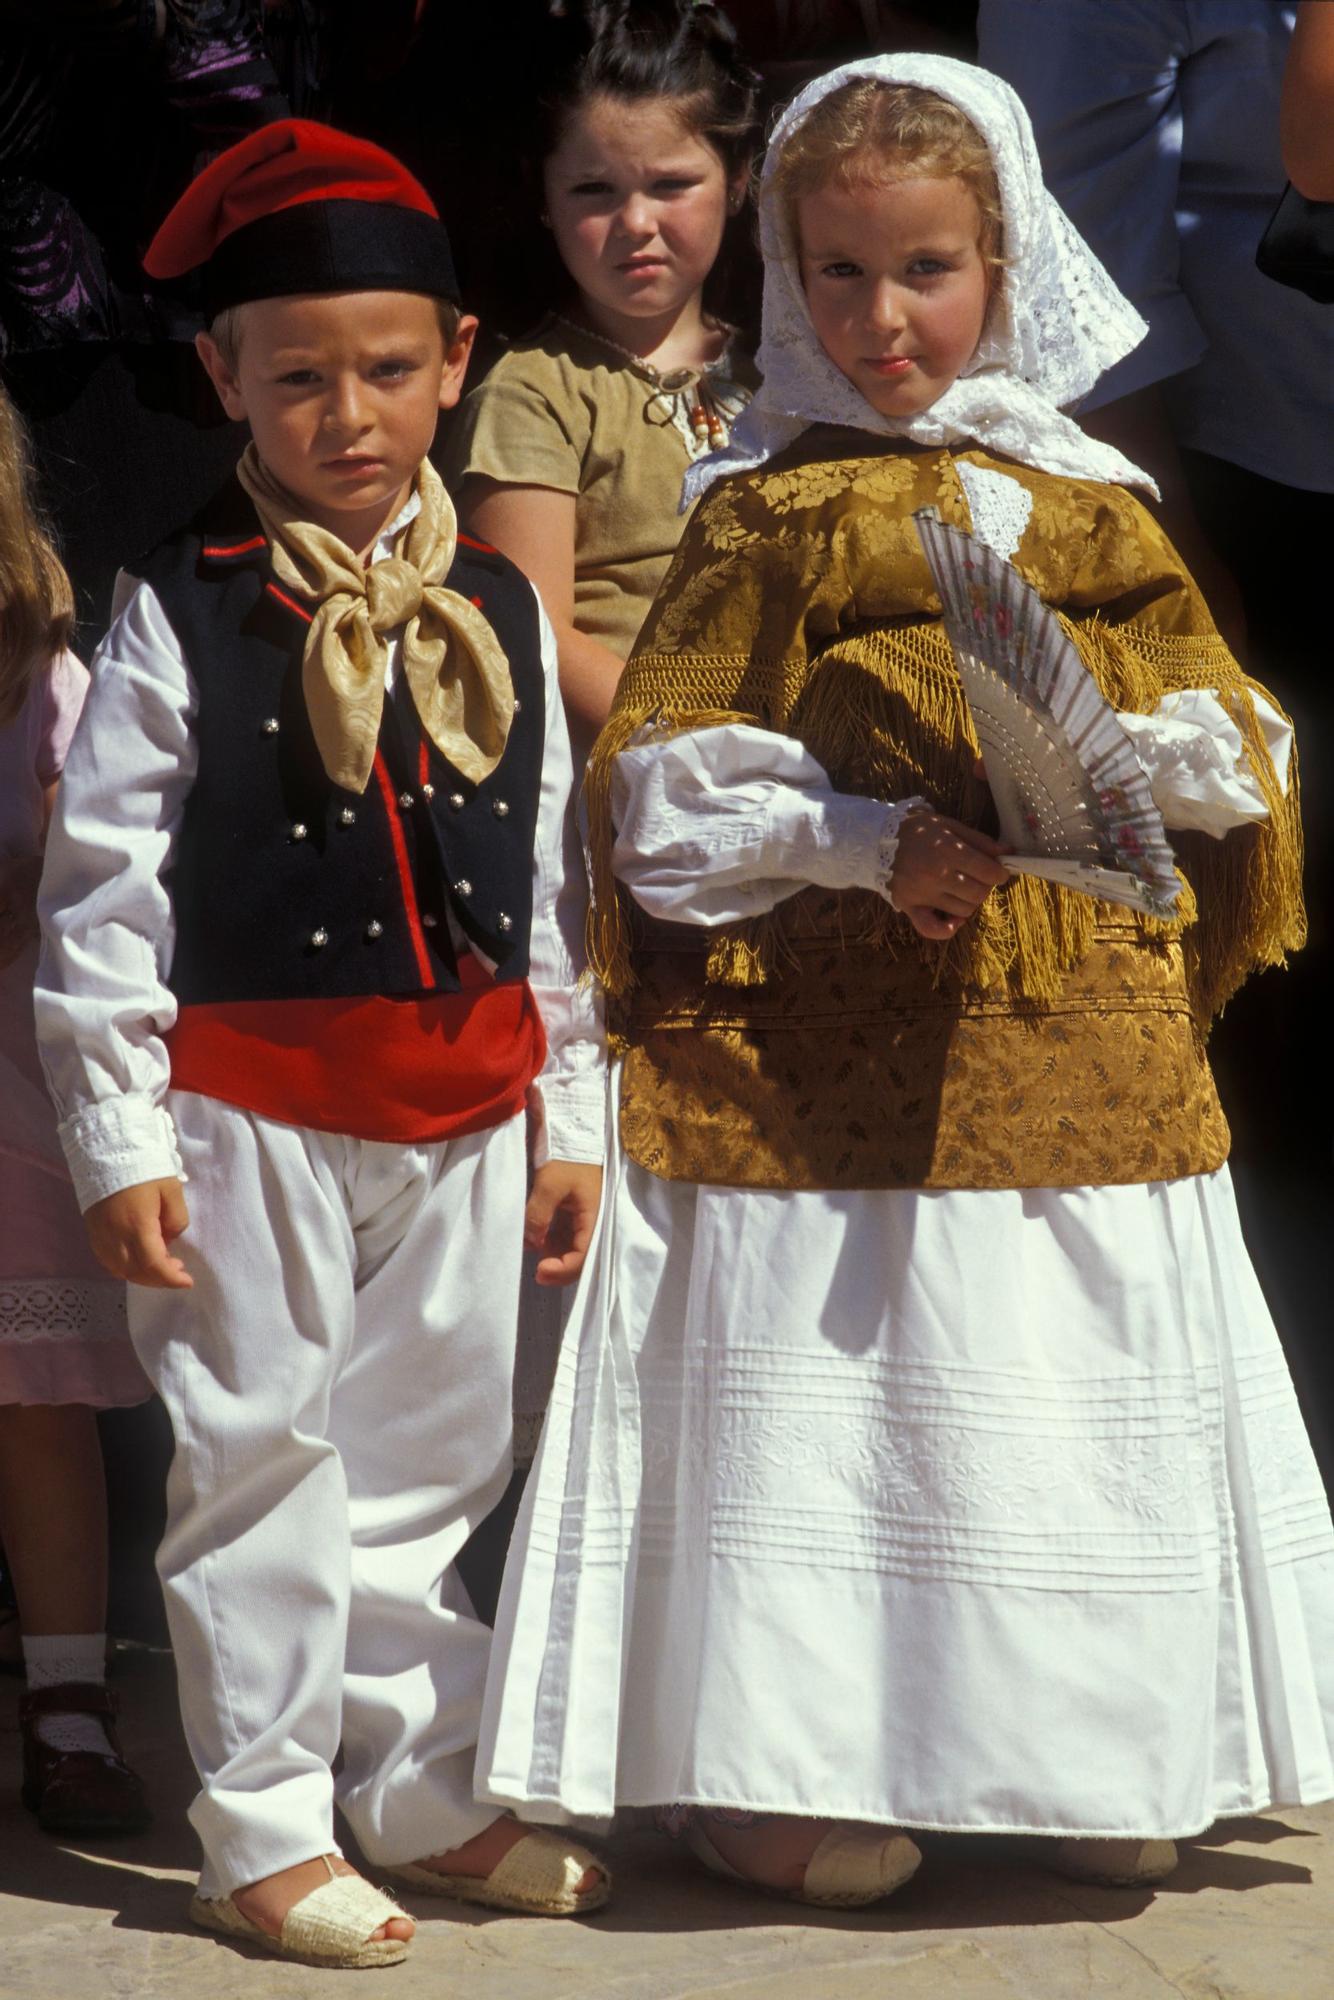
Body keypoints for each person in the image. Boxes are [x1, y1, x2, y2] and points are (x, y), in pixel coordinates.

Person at [475, 56, 1334, 1908]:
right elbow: (660, 790)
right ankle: (777, 1766)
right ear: (787, 274)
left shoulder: (1088, 496)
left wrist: (1157, 757)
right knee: (847, 1373)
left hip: (1065, 1016)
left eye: (927, 270)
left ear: (1005, 261)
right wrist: (858, 840)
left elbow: (1231, 726)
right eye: (841, 275)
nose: (884, 319)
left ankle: (1085, 1743)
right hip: (820, 1033)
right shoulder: (764, 507)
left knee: (1048, 1343)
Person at [35, 119, 608, 1970]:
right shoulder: (176, 603)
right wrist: (119, 1140)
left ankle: (422, 1786)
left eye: (384, 369)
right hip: (248, 1117)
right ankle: (262, 1826)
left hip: (463, 1102)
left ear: (454, 364)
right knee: (261, 1463)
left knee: (433, 1466)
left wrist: (569, 1112)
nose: (345, 414)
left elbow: (549, 888)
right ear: (222, 381)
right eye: (296, 377)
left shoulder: (501, 601)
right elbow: (103, 892)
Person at [449, 0, 761, 765]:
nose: (636, 222)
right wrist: (708, 749)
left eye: (672, 184)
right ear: (545, 202)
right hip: (639, 780)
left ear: (740, 179)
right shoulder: (534, 393)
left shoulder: (782, 369)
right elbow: (533, 632)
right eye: (594, 191)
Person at [0, 382, 149, 1836]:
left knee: (29, 1399)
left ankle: (68, 1697)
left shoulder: (40, 663)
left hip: (10, 1080)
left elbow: (93, 859)